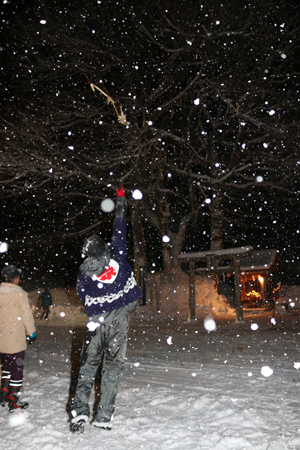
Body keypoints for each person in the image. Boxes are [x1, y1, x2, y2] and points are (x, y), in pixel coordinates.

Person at [70, 185, 141, 433]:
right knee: (112, 368)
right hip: (119, 321)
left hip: (96, 322)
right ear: (104, 250)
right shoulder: (118, 258)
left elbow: (82, 295)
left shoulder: (84, 274)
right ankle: (103, 416)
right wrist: (120, 201)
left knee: (87, 367)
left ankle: (79, 412)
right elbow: (119, 228)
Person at [0, 265, 36, 412]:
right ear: (15, 279)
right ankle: (14, 400)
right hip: (15, 339)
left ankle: (3, 395)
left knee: (6, 367)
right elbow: (27, 315)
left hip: (1, 339)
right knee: (17, 369)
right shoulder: (19, 294)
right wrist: (31, 332)